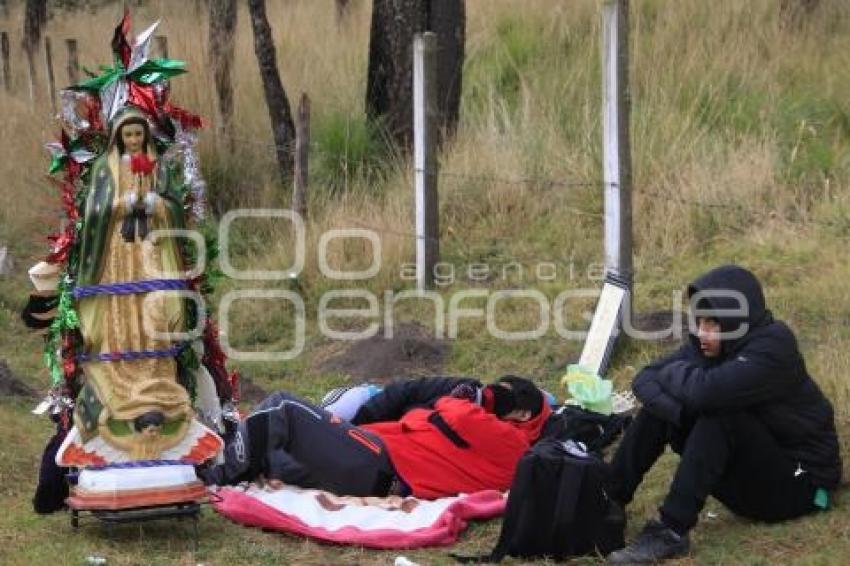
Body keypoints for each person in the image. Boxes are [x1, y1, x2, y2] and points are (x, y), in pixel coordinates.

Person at [607, 265, 842, 564]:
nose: (702, 333)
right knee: (662, 409)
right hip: (753, 480)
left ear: (736, 320)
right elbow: (644, 379)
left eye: (713, 324)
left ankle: (671, 532)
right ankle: (609, 499)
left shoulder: (773, 347)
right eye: (699, 322)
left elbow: (703, 393)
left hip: (802, 485)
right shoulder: (709, 346)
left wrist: (683, 389)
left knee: (721, 415)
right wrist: (680, 409)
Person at [200, 376, 551, 499]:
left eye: (503, 397)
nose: (490, 399)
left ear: (521, 414)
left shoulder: (512, 444)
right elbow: (435, 418)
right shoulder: (490, 445)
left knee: (284, 409)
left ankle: (222, 476)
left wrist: (483, 398)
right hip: (374, 465)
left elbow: (458, 412)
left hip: (381, 466)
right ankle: (210, 464)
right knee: (274, 456)